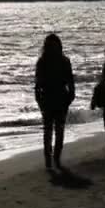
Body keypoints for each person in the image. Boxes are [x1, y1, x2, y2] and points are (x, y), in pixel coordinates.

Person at [35, 34, 75, 170]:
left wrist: (69, 98)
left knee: (58, 130)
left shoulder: (65, 61)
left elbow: (71, 83)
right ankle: (48, 159)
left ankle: (56, 158)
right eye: (50, 46)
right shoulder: (42, 62)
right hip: (47, 99)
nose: (53, 48)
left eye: (55, 46)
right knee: (48, 131)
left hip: (61, 99)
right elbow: (37, 85)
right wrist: (39, 101)